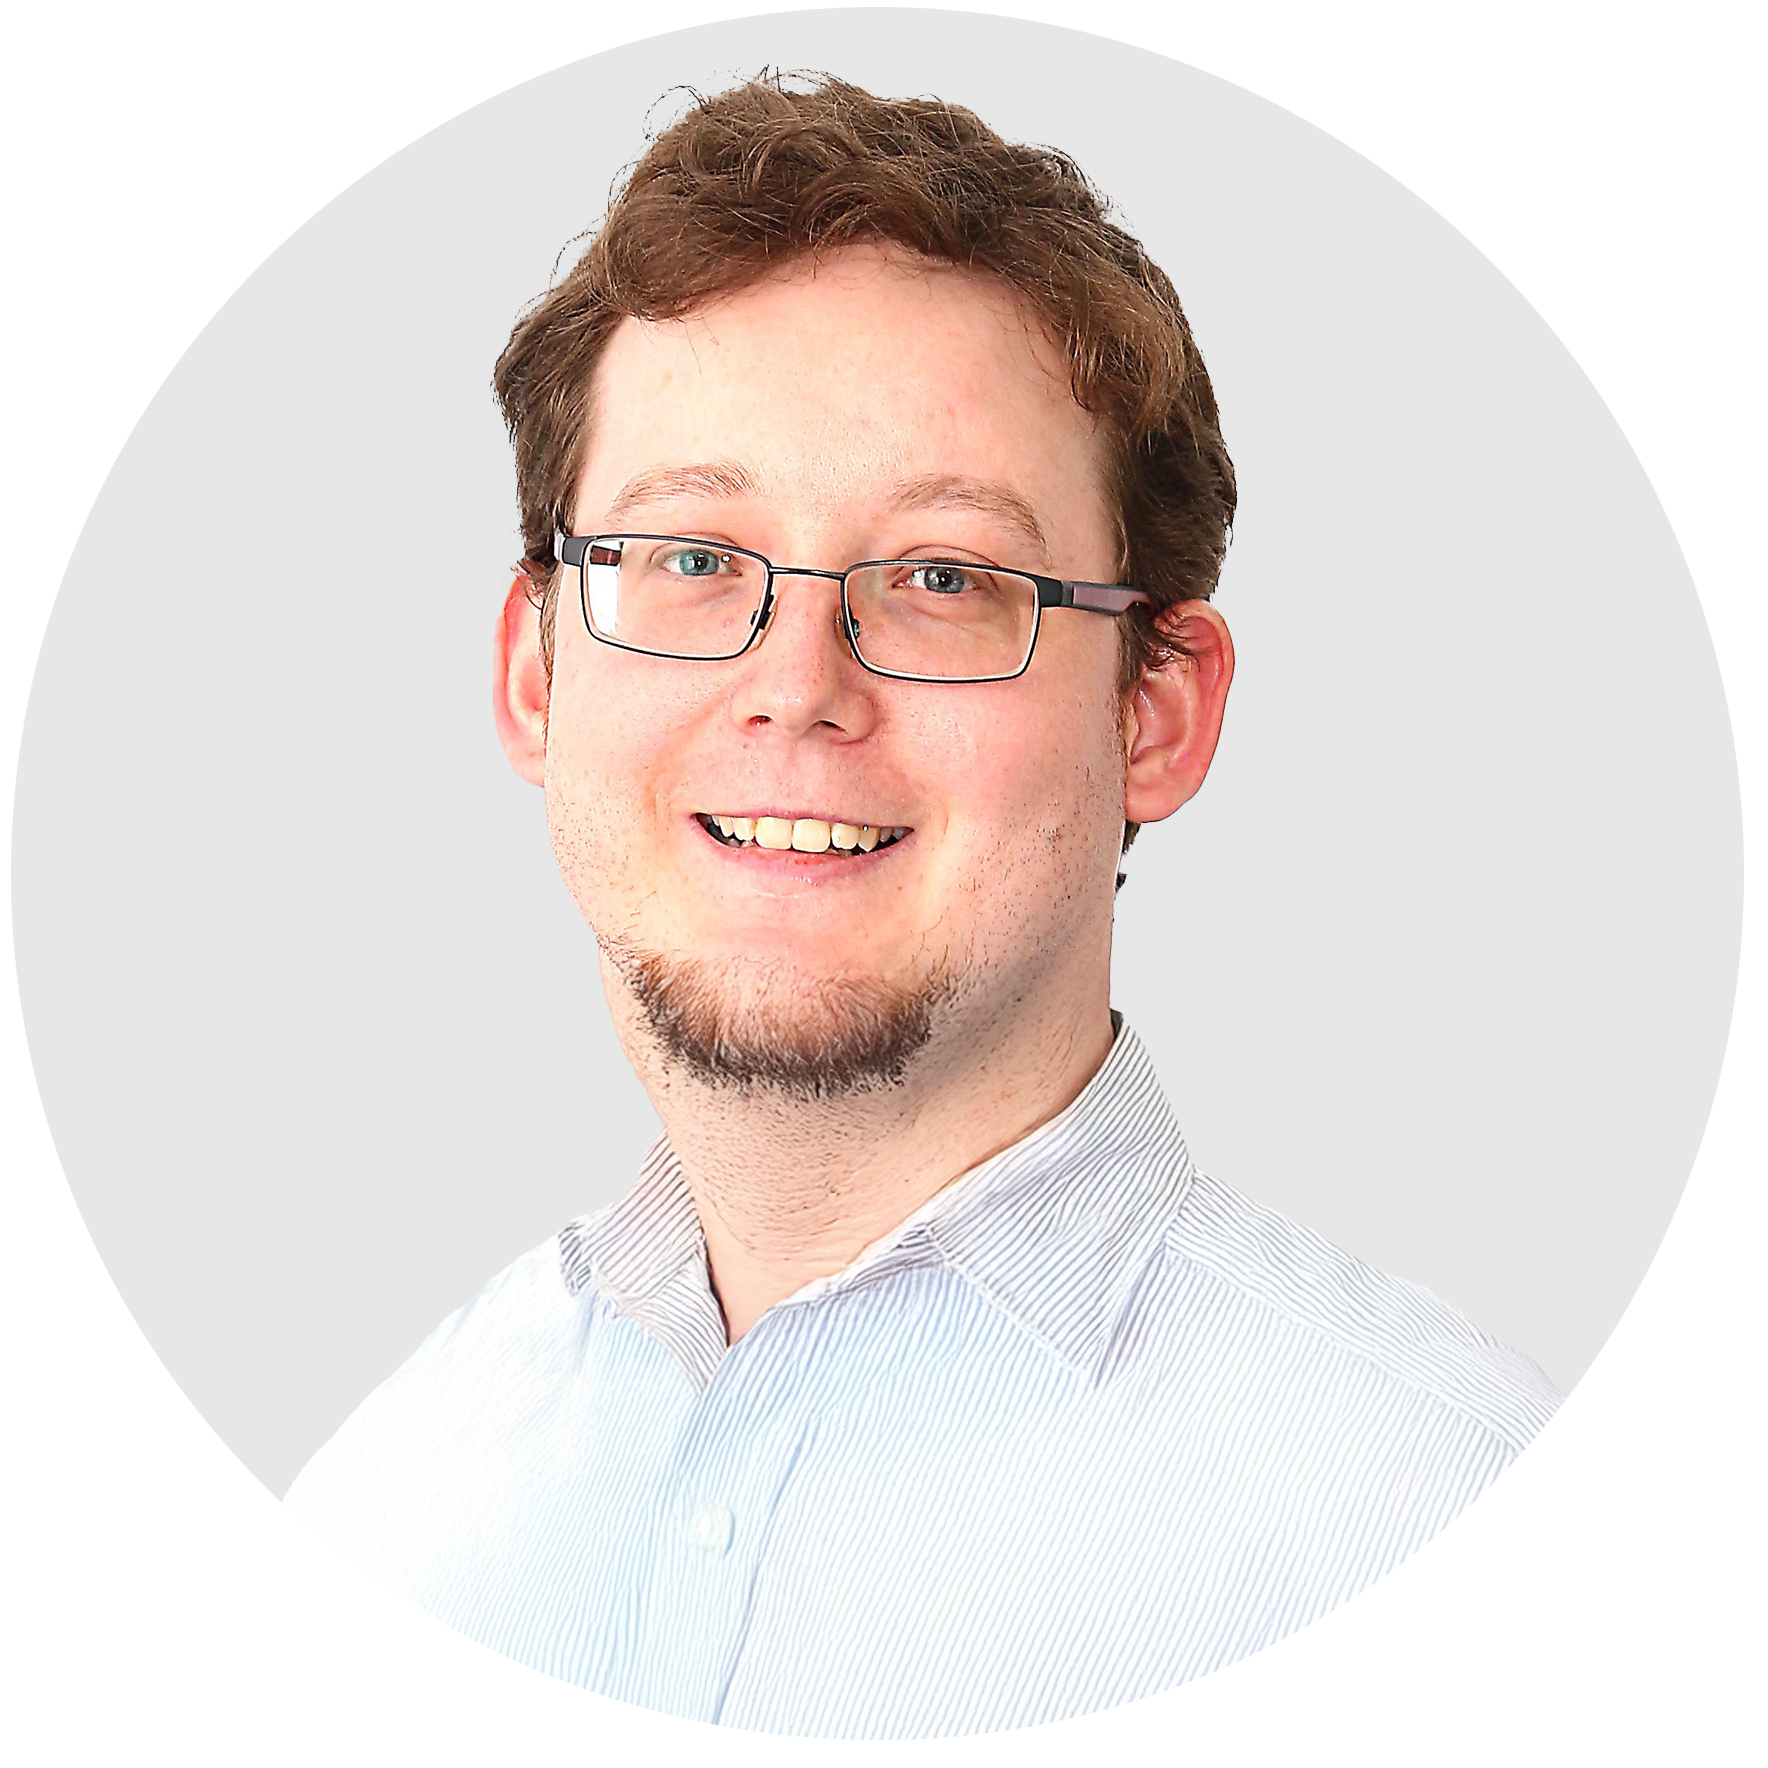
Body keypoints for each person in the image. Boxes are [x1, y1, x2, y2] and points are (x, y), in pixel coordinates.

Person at [285, 73, 1560, 1738]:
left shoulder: (1467, 1546)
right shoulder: (376, 1515)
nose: (794, 687)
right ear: (537, 672)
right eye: (690, 559)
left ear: (1155, 714)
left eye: (945, 578)